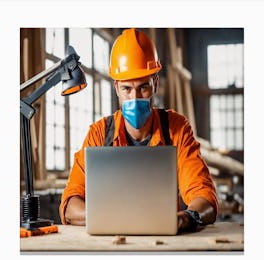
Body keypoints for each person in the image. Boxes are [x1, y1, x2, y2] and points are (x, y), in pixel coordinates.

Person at [59, 28, 218, 232]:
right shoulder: (99, 134)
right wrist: (117, 217)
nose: (134, 98)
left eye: (143, 87)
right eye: (126, 89)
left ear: (155, 85)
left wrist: (187, 218)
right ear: (116, 89)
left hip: (163, 242)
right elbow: (70, 205)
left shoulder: (176, 129)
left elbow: (204, 196)